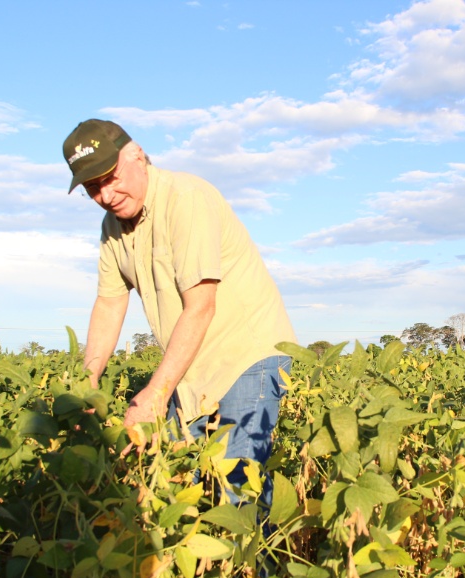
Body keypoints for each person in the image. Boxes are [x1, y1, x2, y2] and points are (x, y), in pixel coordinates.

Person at [62, 118, 296, 510]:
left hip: (243, 357)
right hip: (191, 367)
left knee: (236, 495)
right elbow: (109, 303)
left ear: (137, 155)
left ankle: (252, 569)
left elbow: (201, 305)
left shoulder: (185, 198)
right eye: (93, 187)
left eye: (111, 176)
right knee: (175, 489)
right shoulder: (112, 227)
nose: (106, 193)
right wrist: (87, 384)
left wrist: (155, 393)